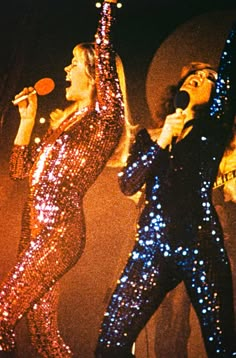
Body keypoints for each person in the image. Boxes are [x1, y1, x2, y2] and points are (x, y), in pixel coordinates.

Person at [95, 20, 236, 358]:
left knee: (222, 343)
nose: (200, 78)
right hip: (152, 247)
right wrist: (161, 141)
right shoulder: (149, 137)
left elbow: (229, 66)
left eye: (210, 79)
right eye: (194, 76)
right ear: (179, 88)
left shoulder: (212, 132)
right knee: (111, 341)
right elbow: (127, 182)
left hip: (200, 240)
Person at [0, 0, 130, 356]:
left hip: (60, 232)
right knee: (44, 337)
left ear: (93, 72)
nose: (66, 69)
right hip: (34, 230)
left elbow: (104, 51)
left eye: (73, 63)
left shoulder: (104, 121)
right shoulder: (64, 126)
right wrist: (27, 122)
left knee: (2, 312)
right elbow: (20, 172)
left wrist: (107, 9)